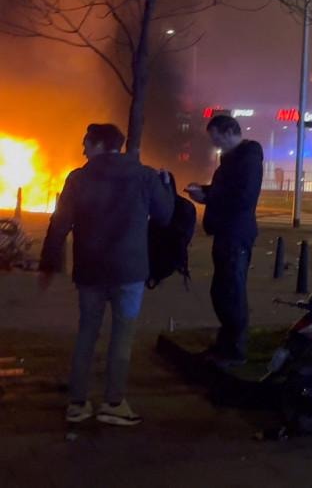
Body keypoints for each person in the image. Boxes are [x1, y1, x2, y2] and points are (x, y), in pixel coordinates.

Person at [39, 124, 173, 426]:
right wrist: (166, 187)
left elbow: (59, 224)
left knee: (87, 332)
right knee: (122, 336)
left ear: (99, 145)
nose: (83, 149)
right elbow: (165, 216)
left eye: (86, 143)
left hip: (90, 270)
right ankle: (113, 403)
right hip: (129, 270)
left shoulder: (78, 178)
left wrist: (48, 264)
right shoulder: (144, 176)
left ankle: (78, 403)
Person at [185, 115, 263, 366]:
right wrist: (205, 191)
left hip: (235, 233)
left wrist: (208, 196)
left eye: (216, 137)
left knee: (230, 290)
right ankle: (226, 344)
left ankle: (234, 350)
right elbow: (229, 191)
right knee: (223, 290)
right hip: (228, 231)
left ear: (229, 132)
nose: (214, 143)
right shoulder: (234, 160)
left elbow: (243, 197)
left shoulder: (247, 159)